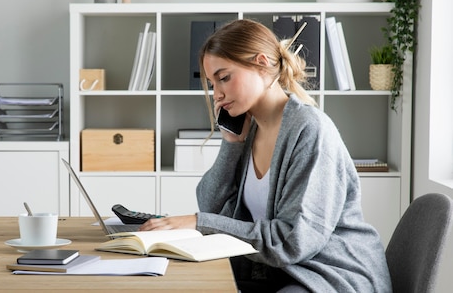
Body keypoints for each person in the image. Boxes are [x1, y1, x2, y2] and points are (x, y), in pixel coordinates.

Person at [139, 19, 392, 292]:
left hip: (331, 276)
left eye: (224, 78)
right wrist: (231, 145)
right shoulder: (250, 131)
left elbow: (292, 241)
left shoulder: (310, 131)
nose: (217, 94)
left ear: (261, 63)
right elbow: (210, 207)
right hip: (279, 274)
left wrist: (200, 222)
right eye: (212, 84)